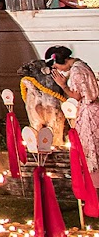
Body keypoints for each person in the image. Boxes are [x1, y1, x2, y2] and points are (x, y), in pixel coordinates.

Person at [49, 45, 99, 174]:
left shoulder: (76, 71)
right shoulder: (81, 64)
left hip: (89, 112)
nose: (58, 71)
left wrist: (63, 85)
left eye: (56, 67)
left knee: (91, 148)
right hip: (94, 109)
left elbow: (77, 95)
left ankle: (94, 184)